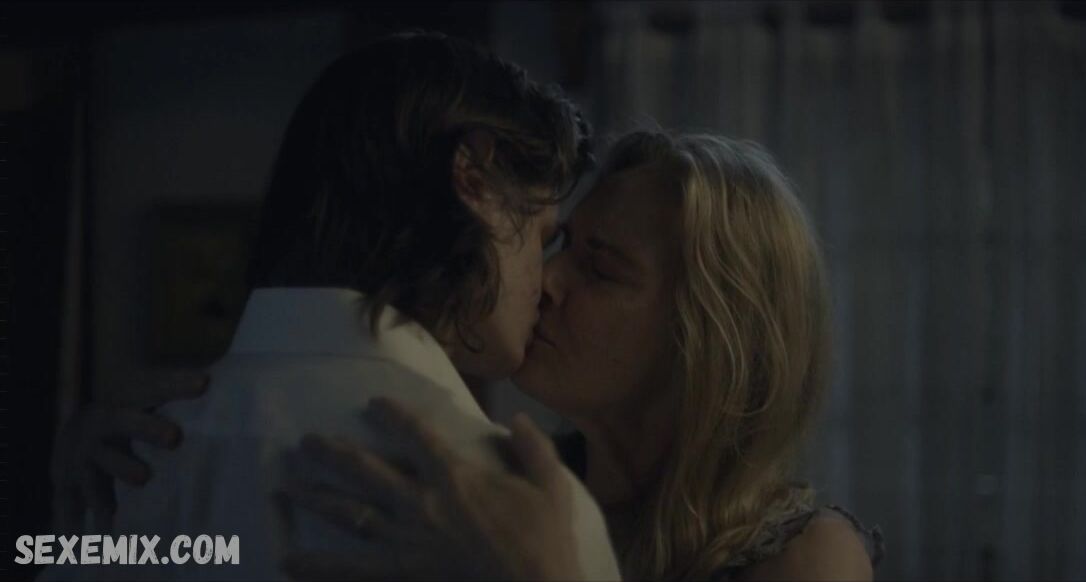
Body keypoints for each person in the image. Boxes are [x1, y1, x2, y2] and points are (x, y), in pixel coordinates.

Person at [63, 131, 886, 580]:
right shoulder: (479, 478)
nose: (547, 280)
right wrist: (83, 521)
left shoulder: (806, 558)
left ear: (712, 332)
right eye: (558, 245)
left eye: (600, 269)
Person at [40, 30, 618, 581]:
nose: (544, 279)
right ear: (474, 176)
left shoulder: (128, 472)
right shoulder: (528, 521)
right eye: (541, 238)